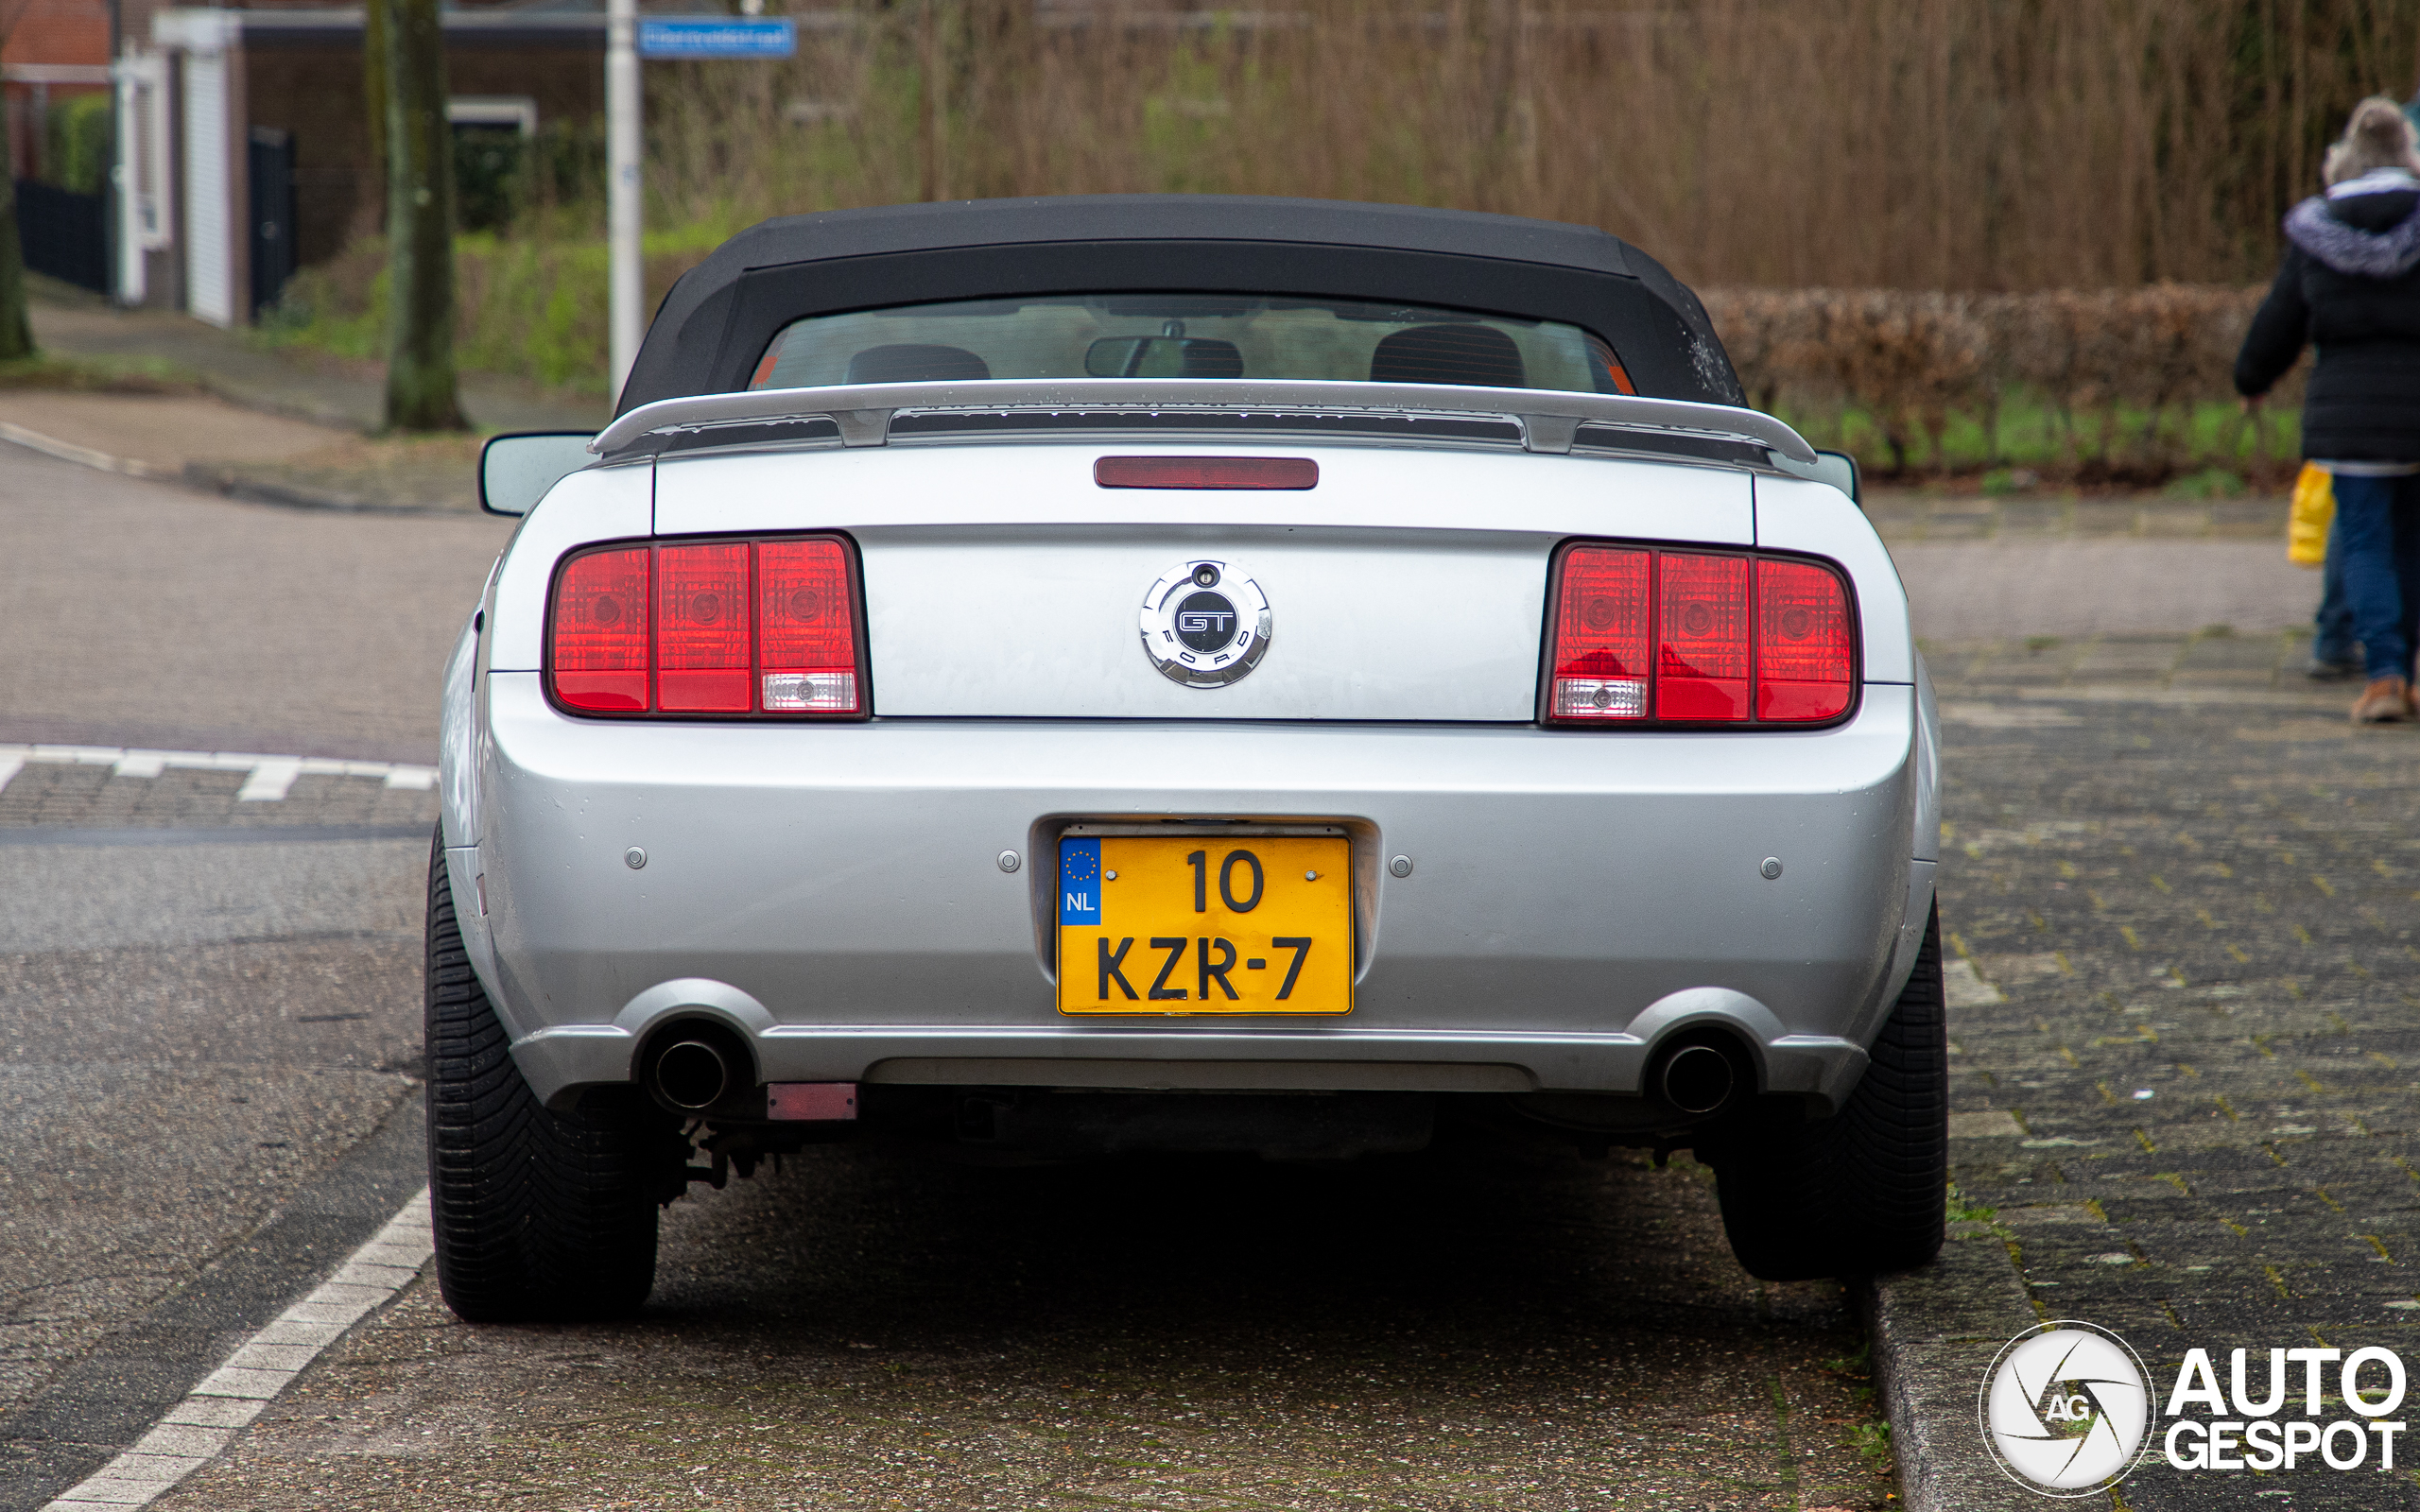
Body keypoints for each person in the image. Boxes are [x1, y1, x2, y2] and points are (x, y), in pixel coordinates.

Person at [2238, 96, 2420, 723]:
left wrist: (2252, 378)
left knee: (2366, 542)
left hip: (2352, 419)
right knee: (2414, 541)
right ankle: (2414, 671)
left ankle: (2385, 677)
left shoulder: (2317, 232)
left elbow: (2279, 321)